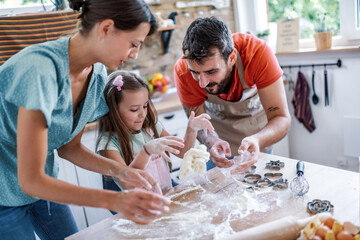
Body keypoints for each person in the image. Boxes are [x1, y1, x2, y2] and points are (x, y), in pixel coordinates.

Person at [0, 0, 172, 239]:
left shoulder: (97, 75)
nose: (135, 54)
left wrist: (120, 171)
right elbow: (30, 180)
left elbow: (69, 148)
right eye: (134, 44)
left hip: (44, 186)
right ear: (106, 29)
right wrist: (117, 200)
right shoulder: (39, 71)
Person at [174, 17, 291, 172]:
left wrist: (257, 140)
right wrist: (213, 142)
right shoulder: (183, 72)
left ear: (232, 58)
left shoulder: (257, 53)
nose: (202, 83)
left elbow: (281, 118)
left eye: (211, 71)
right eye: (195, 72)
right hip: (219, 147)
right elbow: (198, 124)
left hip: (258, 141)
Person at [97, 71, 214, 205]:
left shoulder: (151, 128)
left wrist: (191, 128)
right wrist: (146, 151)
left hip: (163, 198)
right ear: (113, 110)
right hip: (138, 209)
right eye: (134, 109)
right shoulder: (108, 145)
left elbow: (182, 151)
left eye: (145, 106)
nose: (142, 114)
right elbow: (129, 183)